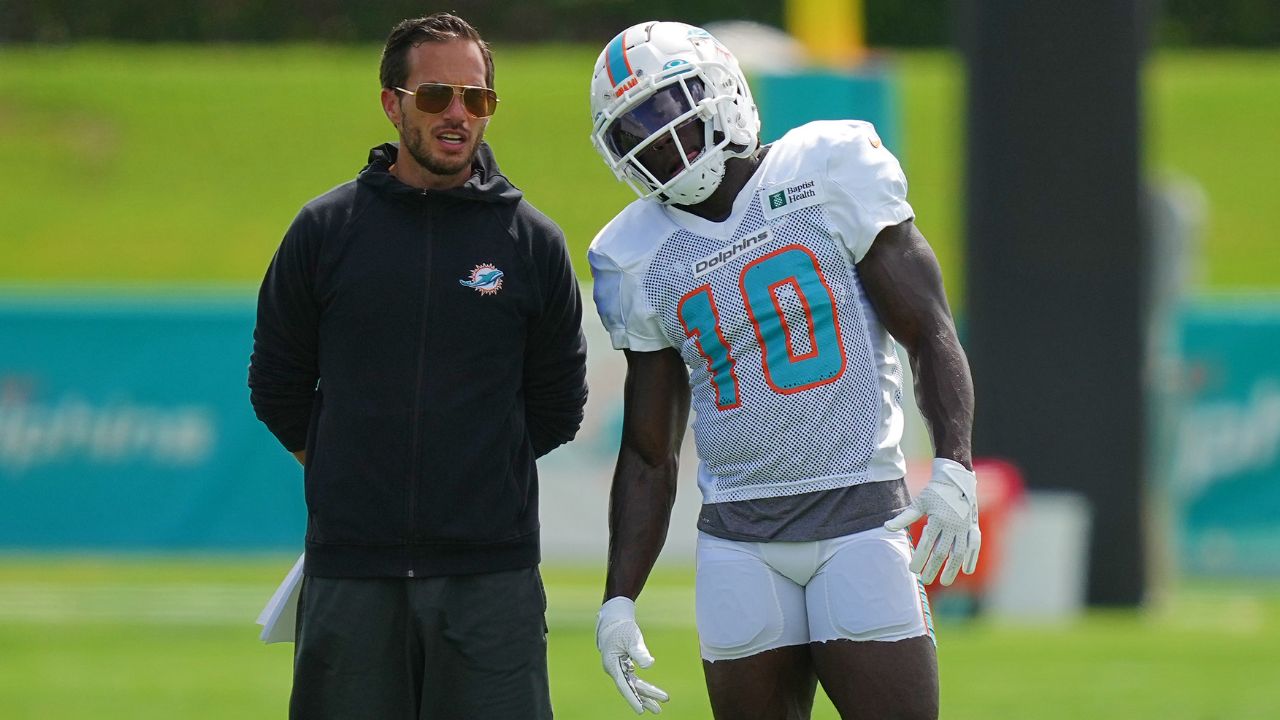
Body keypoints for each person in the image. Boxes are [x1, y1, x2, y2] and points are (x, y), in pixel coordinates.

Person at [585, 21, 980, 720]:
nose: (658, 141)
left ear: (722, 90)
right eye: (634, 130)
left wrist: (953, 461)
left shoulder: (827, 165)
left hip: (858, 517)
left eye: (668, 111)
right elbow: (650, 452)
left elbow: (927, 330)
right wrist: (619, 595)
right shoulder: (633, 253)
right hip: (738, 542)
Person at [248, 13, 588, 720]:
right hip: (353, 573)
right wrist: (350, 466)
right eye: (436, 96)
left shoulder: (532, 243)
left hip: (491, 580)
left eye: (477, 97)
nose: (458, 114)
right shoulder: (325, 230)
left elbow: (557, 406)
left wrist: (467, 477)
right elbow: (277, 386)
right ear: (392, 103)